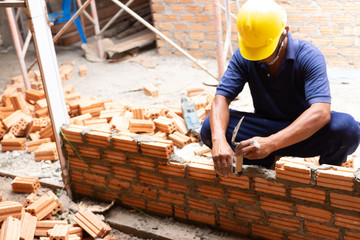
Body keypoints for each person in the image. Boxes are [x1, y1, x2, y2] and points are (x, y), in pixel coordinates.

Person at [200, 0, 360, 176]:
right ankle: (262, 161)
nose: (258, 58)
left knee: (347, 129)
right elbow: (221, 98)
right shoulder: (244, 56)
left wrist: (272, 143)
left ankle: (326, 174)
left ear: (285, 33)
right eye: (254, 51)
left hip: (302, 132)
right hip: (263, 128)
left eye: (264, 51)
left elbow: (321, 112)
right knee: (210, 128)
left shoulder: (309, 56)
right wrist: (218, 141)